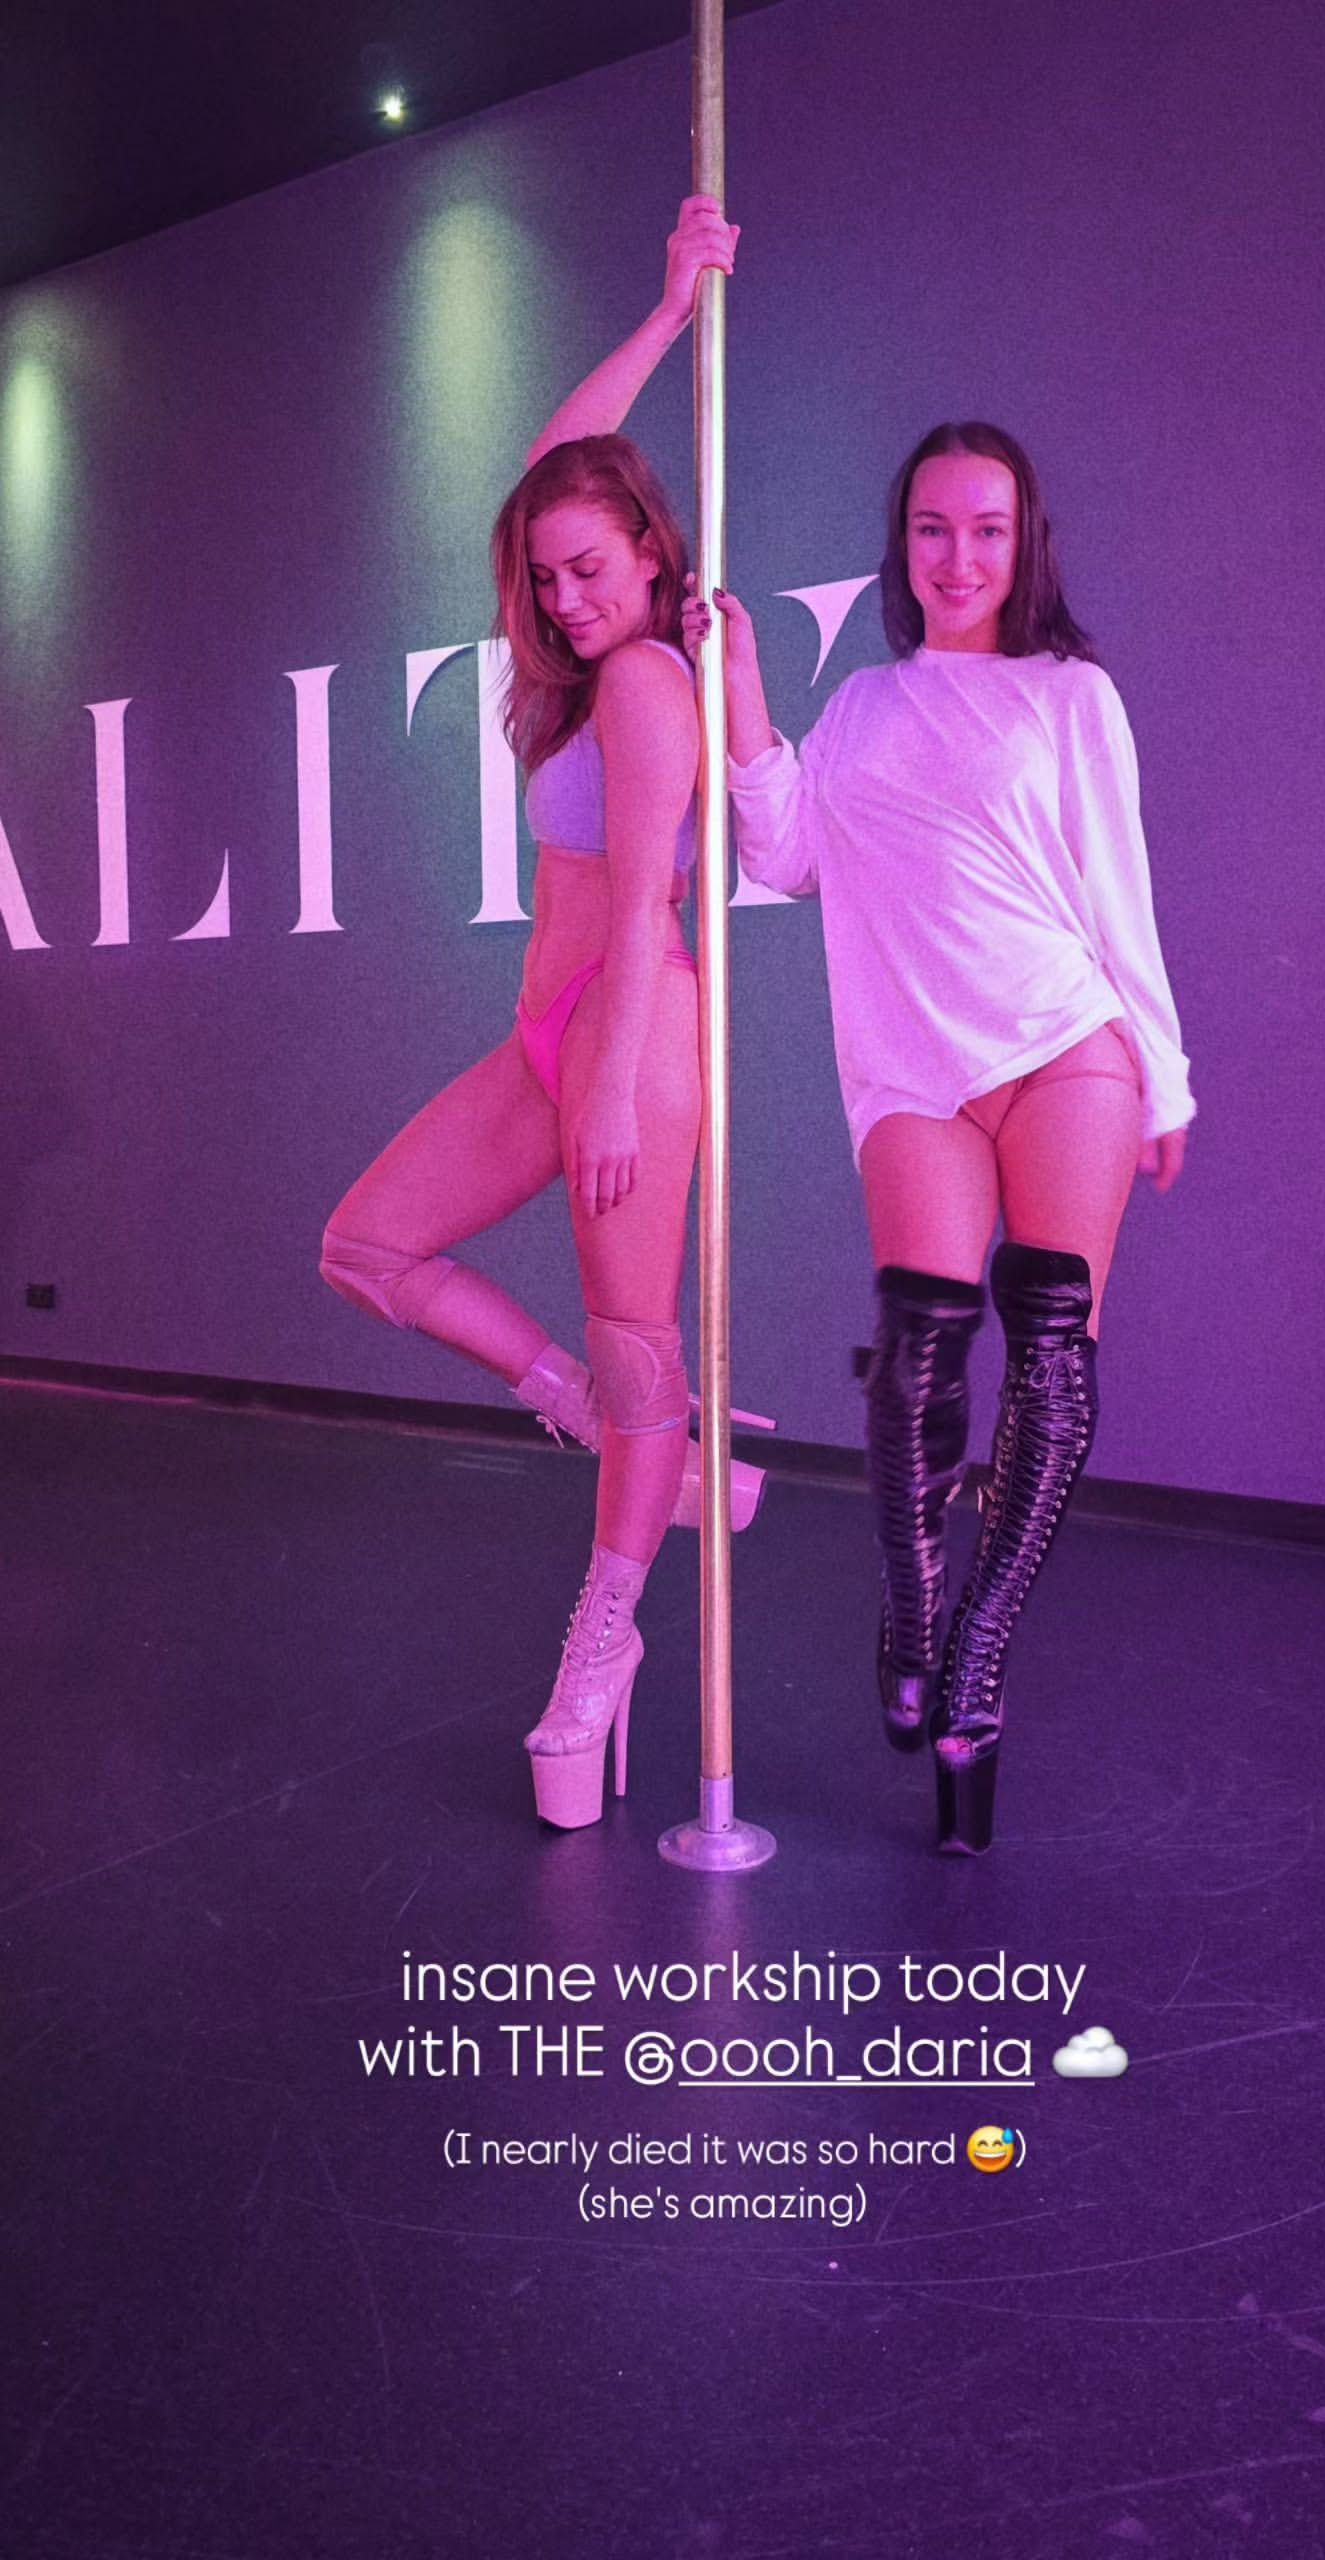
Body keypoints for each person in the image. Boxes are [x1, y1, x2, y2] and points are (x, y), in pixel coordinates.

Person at [685, 422, 1194, 1854]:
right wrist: (745, 697)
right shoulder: (861, 708)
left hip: (1065, 1044)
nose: (958, 557)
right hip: (912, 1067)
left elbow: (1120, 891)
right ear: (900, 545)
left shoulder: (1072, 697)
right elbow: (784, 854)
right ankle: (913, 1602)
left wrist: (1163, 1076)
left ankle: (979, 1658)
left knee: (1053, 1354)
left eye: (986, 529)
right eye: (931, 528)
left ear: (1024, 544)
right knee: (920, 1349)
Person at [319, 198, 750, 1832]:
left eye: (590, 569)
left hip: (630, 1039)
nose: (564, 598)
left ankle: (601, 1648)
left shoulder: (647, 682)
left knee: (644, 1354)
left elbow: (644, 906)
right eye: (547, 575)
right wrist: (665, 310)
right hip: (549, 1043)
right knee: (368, 1246)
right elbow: (556, 463)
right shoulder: (583, 657)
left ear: (652, 551)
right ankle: (623, 1432)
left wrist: (616, 1095)